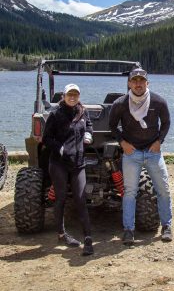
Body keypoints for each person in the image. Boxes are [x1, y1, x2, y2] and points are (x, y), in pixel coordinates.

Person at [109, 68, 172, 245]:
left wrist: (160, 141)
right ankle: (128, 230)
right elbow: (113, 126)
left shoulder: (159, 101)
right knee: (129, 192)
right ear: (129, 83)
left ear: (147, 83)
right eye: (134, 80)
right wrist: (123, 143)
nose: (138, 84)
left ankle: (167, 226)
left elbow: (166, 122)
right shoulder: (120, 104)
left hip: (153, 152)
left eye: (141, 81)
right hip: (132, 153)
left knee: (163, 190)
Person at [42, 83, 94, 255]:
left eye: (75, 94)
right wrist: (59, 148)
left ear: (79, 96)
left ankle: (88, 238)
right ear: (63, 96)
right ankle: (61, 234)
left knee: (80, 199)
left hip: (78, 163)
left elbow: (89, 125)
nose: (73, 97)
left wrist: (88, 134)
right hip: (59, 163)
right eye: (69, 94)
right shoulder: (56, 114)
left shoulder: (82, 111)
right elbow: (46, 138)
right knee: (61, 198)